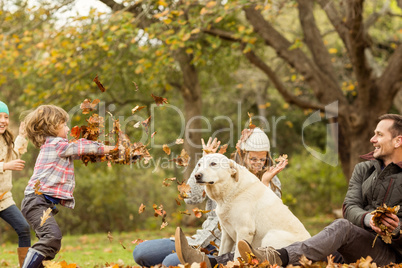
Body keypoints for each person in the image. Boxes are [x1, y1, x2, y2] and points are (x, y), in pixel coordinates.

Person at [235, 114, 402, 267]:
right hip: (352, 244)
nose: (372, 139)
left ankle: (277, 257)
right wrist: (368, 219)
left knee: (341, 228)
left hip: (389, 256)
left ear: (397, 141)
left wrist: (396, 231)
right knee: (308, 245)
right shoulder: (363, 169)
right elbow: (349, 207)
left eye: (379, 134)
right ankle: (215, 260)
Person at [133, 127, 287, 267]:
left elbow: (268, 221)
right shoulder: (221, 169)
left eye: (263, 159)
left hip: (230, 250)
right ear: (242, 154)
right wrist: (204, 162)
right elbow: (190, 198)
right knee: (141, 252)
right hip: (202, 240)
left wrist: (264, 183)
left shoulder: (271, 179)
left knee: (170, 263)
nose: (258, 164)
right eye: (253, 159)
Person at [19, 105, 115, 268]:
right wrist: (110, 148)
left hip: (38, 203)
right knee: (52, 238)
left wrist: (114, 155)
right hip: (35, 202)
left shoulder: (59, 147)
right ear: (51, 126)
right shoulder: (57, 144)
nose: (68, 128)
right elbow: (81, 147)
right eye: (64, 125)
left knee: (51, 241)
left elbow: (85, 154)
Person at [0, 101, 31, 268]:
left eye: (5, 117)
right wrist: (5, 166)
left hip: (4, 198)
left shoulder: (5, 138)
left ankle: (26, 266)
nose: (3, 120)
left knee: (23, 228)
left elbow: (14, 155)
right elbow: (8, 163)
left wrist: (21, 136)